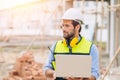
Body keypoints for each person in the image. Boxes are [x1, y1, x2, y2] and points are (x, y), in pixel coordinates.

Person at [44, 8, 100, 80]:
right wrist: (54, 73)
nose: (63, 29)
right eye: (63, 25)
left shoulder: (91, 48)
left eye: (67, 26)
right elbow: (46, 70)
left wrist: (82, 77)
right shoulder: (55, 46)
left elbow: (95, 74)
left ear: (77, 27)